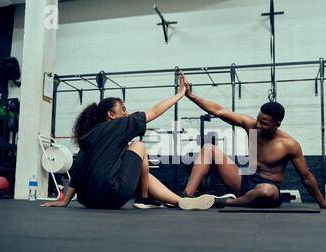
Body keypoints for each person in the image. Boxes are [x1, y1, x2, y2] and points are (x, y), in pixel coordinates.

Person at [41, 73, 215, 210]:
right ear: (111, 114)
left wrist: (64, 201)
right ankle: (145, 197)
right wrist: (179, 95)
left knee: (140, 168)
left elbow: (78, 170)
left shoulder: (90, 134)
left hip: (86, 198)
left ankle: (180, 201)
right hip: (111, 196)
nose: (126, 113)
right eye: (123, 109)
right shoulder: (119, 124)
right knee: (138, 145)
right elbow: (153, 112)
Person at [181, 73, 326, 209]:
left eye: (264, 123)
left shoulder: (289, 145)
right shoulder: (251, 126)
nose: (259, 125)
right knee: (209, 148)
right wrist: (191, 95)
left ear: (277, 125)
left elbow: (306, 177)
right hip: (244, 180)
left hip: (267, 188)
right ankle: (185, 198)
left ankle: (224, 202)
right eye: (258, 120)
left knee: (265, 192)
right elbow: (219, 111)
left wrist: (322, 203)